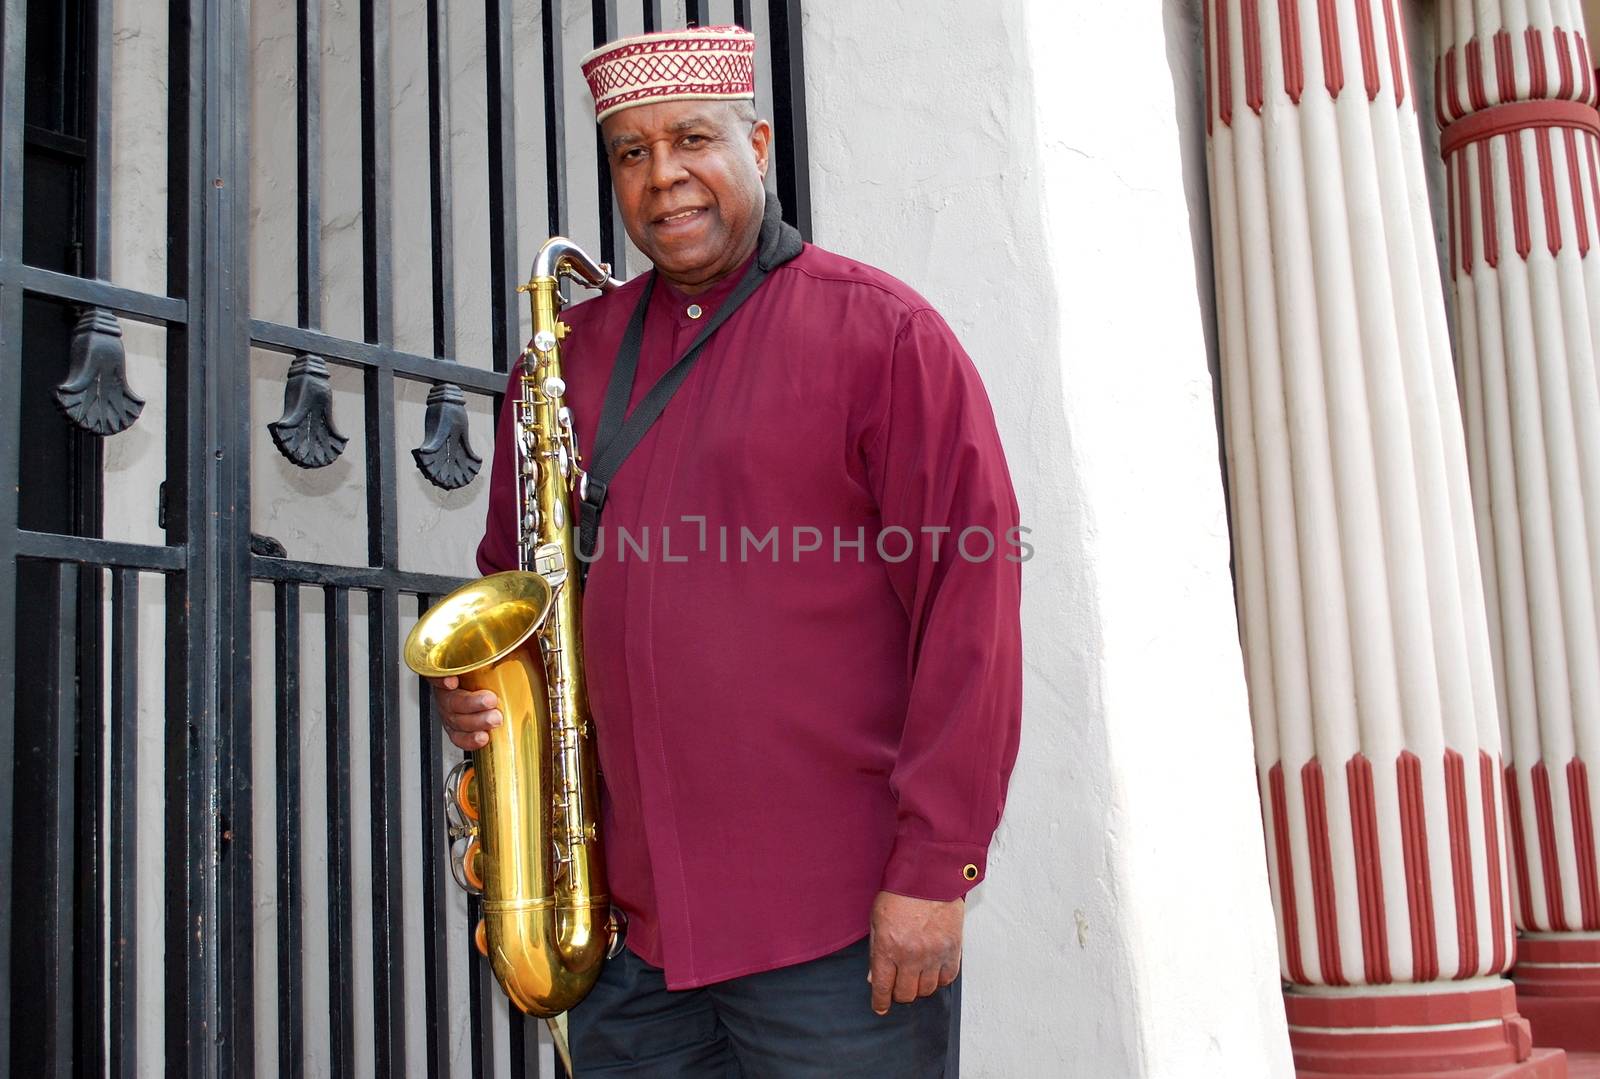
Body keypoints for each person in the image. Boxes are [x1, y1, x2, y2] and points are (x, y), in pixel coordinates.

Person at [432, 24, 1022, 1078]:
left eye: (692, 139)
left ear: (755, 143)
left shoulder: (884, 335)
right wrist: (483, 689)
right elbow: (516, 592)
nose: (664, 178)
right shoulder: (564, 360)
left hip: (837, 938)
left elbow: (968, 609)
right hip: (625, 940)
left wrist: (935, 870)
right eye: (631, 152)